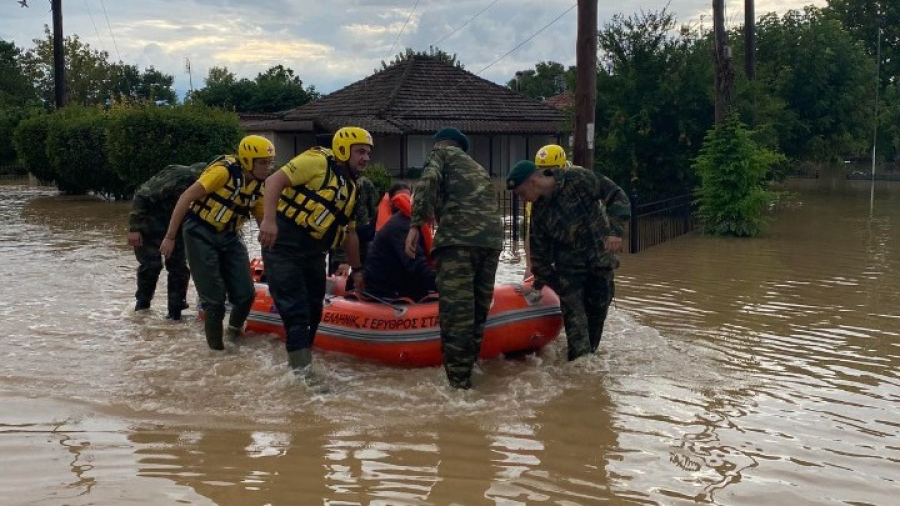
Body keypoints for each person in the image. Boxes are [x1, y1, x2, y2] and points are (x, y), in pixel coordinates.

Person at [258, 126, 371, 383]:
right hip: (283, 244)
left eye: (368, 153)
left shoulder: (352, 189)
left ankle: (299, 361)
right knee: (296, 312)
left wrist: (358, 270)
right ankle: (304, 379)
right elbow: (274, 181)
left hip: (313, 251)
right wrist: (268, 221)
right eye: (360, 151)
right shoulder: (316, 161)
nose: (366, 158)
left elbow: (350, 234)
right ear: (343, 149)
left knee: (314, 311)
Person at [405, 127, 503, 390]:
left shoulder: (441, 153)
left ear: (439, 144)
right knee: (477, 314)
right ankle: (470, 372)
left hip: (459, 242)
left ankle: (459, 388)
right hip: (492, 243)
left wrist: (415, 225)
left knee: (456, 317)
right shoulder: (478, 169)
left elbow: (427, 182)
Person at [506, 157, 630, 361]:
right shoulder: (539, 211)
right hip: (569, 275)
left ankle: (589, 377)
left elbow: (617, 195)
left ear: (533, 182)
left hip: (599, 264)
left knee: (595, 322)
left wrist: (615, 231)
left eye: (521, 194)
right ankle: (579, 373)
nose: (523, 200)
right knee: (577, 335)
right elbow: (539, 254)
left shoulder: (577, 179)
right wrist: (540, 284)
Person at [160, 135, 274, 351]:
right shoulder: (222, 173)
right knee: (214, 301)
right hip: (200, 233)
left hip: (230, 236)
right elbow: (186, 198)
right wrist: (170, 236)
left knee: (246, 294)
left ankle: (233, 333)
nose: (267, 168)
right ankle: (217, 352)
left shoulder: (260, 186)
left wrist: (275, 252)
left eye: (269, 163)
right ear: (248, 161)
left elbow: (263, 223)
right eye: (262, 163)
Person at [128, 162, 205, 320]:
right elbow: (142, 196)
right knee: (151, 266)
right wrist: (134, 228)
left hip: (176, 228)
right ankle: (142, 308)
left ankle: (175, 312)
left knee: (179, 268)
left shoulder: (216, 184)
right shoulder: (180, 177)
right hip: (149, 225)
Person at [365, 191, 436, 301]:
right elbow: (417, 266)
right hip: (386, 292)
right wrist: (446, 285)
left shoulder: (410, 222)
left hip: (399, 284)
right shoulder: (404, 227)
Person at [523, 144, 570, 278]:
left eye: (548, 171)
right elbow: (530, 233)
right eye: (541, 171)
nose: (544, 176)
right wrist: (529, 266)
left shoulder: (579, 182)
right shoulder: (537, 191)